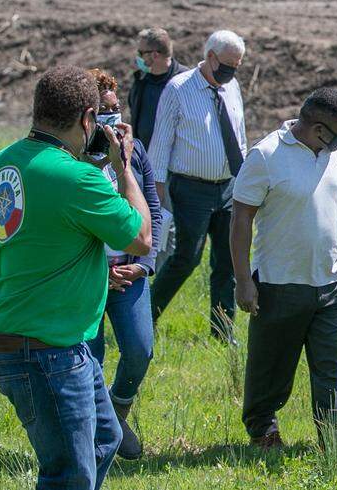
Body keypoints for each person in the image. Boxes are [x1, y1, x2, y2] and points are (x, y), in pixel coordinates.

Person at [0, 65, 152, 490]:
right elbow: (141, 238)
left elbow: (48, 231)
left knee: (105, 439)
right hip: (48, 350)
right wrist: (123, 168)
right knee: (69, 477)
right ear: (88, 119)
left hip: (17, 337)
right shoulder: (79, 179)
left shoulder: (4, 162)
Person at [231, 88, 337, 465]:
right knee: (271, 365)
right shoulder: (266, 155)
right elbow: (241, 217)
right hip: (280, 283)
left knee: (331, 367)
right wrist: (243, 279)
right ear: (319, 129)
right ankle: (262, 427)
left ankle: (336, 443)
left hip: (332, 283)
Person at [148, 29, 247, 341]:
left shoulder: (232, 87)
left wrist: (246, 179)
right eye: (228, 65)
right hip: (190, 189)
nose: (232, 72)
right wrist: (156, 191)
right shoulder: (178, 89)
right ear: (211, 57)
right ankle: (145, 316)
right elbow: (160, 143)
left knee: (227, 261)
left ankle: (222, 332)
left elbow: (240, 136)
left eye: (237, 66)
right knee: (186, 258)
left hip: (228, 188)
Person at [85, 69, 162, 461]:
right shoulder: (72, 158)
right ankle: (98, 434)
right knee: (90, 356)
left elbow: (153, 210)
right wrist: (100, 271)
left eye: (116, 110)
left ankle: (116, 410)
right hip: (88, 275)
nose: (113, 119)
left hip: (130, 271)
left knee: (139, 349)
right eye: (104, 111)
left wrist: (144, 264)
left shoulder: (136, 150)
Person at [127, 27, 186, 271]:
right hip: (142, 164)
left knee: (166, 225)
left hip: (173, 168)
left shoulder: (184, 82)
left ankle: (158, 276)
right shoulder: (141, 80)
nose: (138, 57)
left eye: (141, 52)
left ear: (155, 54)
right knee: (144, 219)